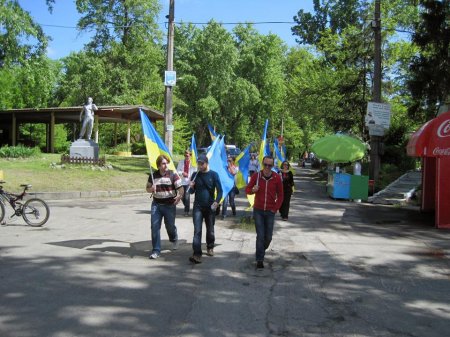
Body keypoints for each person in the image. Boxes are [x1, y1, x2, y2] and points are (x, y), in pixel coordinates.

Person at [245, 155, 284, 269]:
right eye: (265, 164)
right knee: (260, 235)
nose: (267, 167)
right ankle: (259, 259)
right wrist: (253, 190)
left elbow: (281, 195)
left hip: (270, 211)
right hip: (258, 210)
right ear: (262, 164)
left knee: (268, 237)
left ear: (272, 166)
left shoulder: (277, 178)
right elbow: (247, 190)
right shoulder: (257, 176)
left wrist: (275, 208)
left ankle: (261, 249)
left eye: (269, 165)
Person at [146, 154, 183, 260]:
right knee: (155, 227)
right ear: (158, 165)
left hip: (170, 205)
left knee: (170, 226)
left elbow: (180, 189)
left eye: (167, 162)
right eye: (163, 163)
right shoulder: (153, 176)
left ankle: (174, 238)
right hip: (156, 205)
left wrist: (180, 196)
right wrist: (151, 189)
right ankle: (156, 250)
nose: (166, 165)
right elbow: (147, 188)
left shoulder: (173, 175)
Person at [188, 154, 222, 264]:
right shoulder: (195, 174)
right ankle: (197, 254)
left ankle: (210, 246)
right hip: (198, 206)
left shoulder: (214, 175)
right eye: (198, 163)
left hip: (210, 206)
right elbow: (191, 192)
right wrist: (191, 186)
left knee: (210, 230)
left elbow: (220, 190)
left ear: (207, 163)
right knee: (197, 230)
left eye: (202, 163)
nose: (200, 166)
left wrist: (217, 201)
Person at [176, 150, 197, 216]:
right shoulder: (181, 162)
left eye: (187, 156)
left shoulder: (193, 163)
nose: (186, 157)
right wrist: (182, 173)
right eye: (185, 155)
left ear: (190, 156)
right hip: (182, 181)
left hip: (189, 182)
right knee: (182, 196)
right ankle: (187, 207)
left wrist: (192, 179)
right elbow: (177, 171)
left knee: (187, 196)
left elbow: (195, 172)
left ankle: (186, 211)